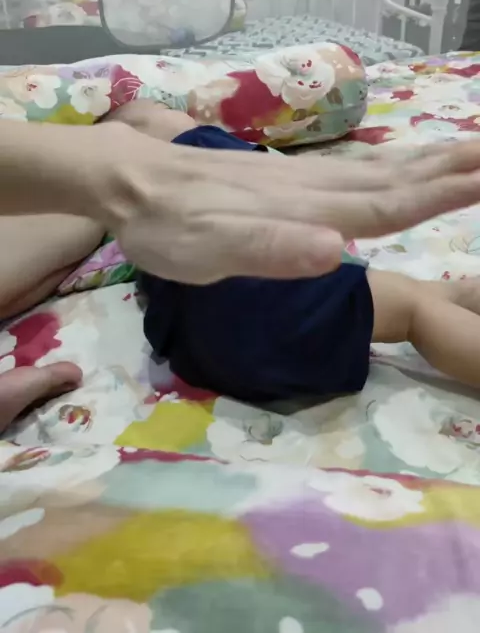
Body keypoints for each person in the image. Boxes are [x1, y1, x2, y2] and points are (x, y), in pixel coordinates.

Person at [2, 104, 480, 428]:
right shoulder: (193, 151)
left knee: (414, 298)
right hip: (250, 288)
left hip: (208, 348)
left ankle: (459, 295)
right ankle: (451, 300)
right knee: (415, 311)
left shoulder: (92, 224)